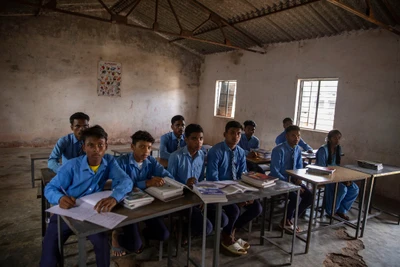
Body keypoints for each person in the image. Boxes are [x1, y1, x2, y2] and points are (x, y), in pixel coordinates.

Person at [40, 125, 133, 267]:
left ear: (106, 146)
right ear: (84, 148)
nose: (96, 150)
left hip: (93, 213)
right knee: (50, 251)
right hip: (68, 212)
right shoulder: (71, 166)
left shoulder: (109, 162)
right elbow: (50, 188)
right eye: (91, 145)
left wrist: (114, 197)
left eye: (100, 145)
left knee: (102, 242)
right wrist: (59, 198)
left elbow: (126, 181)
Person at [112, 130, 172, 256]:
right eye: (142, 146)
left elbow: (166, 174)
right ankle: (117, 237)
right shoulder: (120, 162)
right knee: (134, 245)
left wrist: (168, 181)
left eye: (149, 147)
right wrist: (147, 183)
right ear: (132, 147)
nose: (146, 151)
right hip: (128, 206)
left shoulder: (151, 161)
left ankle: (142, 233)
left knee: (163, 234)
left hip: (148, 204)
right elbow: (118, 186)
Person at [206, 121, 262, 256]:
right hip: (219, 190)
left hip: (237, 190)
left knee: (257, 208)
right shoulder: (216, 151)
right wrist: (233, 196)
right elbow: (213, 178)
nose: (235, 136)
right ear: (225, 134)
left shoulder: (241, 152)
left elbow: (243, 175)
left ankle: (231, 230)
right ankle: (226, 238)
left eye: (238, 134)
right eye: (232, 133)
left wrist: (246, 194)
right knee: (235, 210)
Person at [168, 124, 228, 239]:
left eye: (201, 139)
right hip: (181, 197)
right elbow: (169, 182)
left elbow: (200, 180)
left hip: (197, 195)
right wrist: (185, 185)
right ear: (186, 139)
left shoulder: (202, 155)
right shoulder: (175, 157)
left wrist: (202, 196)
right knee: (207, 228)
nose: (198, 142)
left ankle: (190, 225)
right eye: (194, 138)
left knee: (223, 220)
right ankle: (182, 231)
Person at [270, 125, 313, 231]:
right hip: (279, 181)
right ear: (287, 136)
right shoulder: (278, 150)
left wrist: (299, 180)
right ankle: (286, 220)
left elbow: (299, 168)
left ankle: (290, 218)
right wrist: (290, 184)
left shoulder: (298, 149)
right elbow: (275, 172)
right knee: (295, 196)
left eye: (298, 136)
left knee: (310, 196)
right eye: (293, 135)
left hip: (293, 181)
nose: (296, 138)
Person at [316, 130, 358, 220]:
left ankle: (342, 210)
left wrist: (344, 178)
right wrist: (337, 177)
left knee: (354, 189)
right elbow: (321, 168)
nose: (337, 140)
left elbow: (337, 167)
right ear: (329, 139)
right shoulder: (323, 150)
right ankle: (331, 211)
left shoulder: (338, 149)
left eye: (339, 138)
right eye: (335, 138)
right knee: (342, 189)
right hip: (325, 176)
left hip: (336, 176)